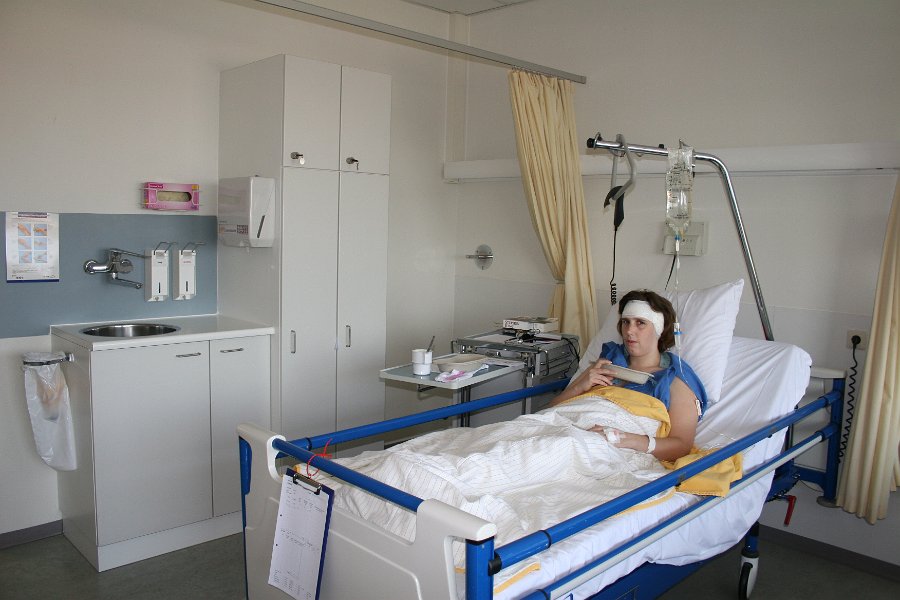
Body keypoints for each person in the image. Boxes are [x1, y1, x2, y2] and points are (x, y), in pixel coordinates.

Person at [550, 290, 707, 462]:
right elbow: (550, 411)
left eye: (640, 323)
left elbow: (682, 446)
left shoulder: (675, 381)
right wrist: (580, 386)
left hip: (601, 447)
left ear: (660, 329)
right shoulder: (604, 365)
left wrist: (626, 439)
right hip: (563, 430)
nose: (629, 331)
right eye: (626, 322)